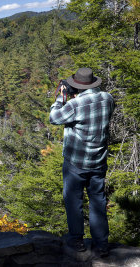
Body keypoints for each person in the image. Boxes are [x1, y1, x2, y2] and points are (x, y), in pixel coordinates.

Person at [49, 67, 114, 257]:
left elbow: (54, 118)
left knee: (73, 200)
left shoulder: (75, 105)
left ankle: (77, 241)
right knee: (98, 201)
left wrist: (61, 97)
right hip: (99, 160)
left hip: (76, 162)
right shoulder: (108, 98)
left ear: (77, 86)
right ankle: (101, 245)